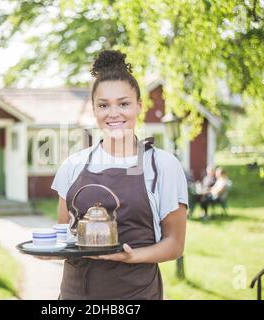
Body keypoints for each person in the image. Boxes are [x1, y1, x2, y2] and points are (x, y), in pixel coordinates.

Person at [48, 50, 188, 300]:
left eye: (123, 104)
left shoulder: (163, 165)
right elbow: (64, 235)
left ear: (139, 107)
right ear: (94, 109)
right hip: (75, 295)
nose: (113, 114)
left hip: (136, 294)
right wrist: (47, 249)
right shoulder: (73, 165)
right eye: (104, 105)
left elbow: (175, 245)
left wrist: (132, 256)